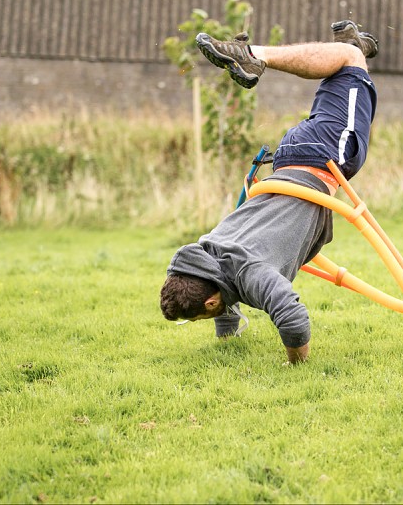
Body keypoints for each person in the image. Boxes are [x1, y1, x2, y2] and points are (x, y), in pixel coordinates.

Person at [160, 20, 379, 364]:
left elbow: (291, 315)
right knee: (346, 71)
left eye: (200, 315)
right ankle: (353, 45)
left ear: (211, 302)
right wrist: (226, 337)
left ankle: (252, 55)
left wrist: (297, 366)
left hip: (322, 156)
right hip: (292, 156)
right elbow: (221, 293)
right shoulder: (208, 251)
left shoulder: (250, 273)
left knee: (350, 62)